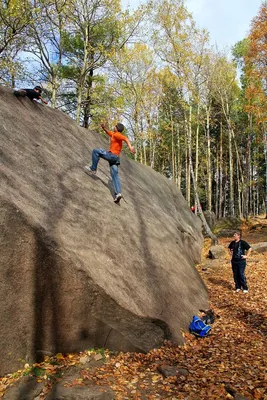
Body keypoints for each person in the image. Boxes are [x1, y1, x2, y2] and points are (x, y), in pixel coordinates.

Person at [84, 123, 135, 204]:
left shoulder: (118, 135)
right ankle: (118, 194)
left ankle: (93, 168)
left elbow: (125, 138)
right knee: (115, 175)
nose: (113, 127)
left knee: (96, 151)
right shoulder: (114, 134)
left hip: (112, 156)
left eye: (115, 126)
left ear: (117, 128)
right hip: (115, 159)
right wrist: (104, 128)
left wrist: (130, 147)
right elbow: (109, 133)